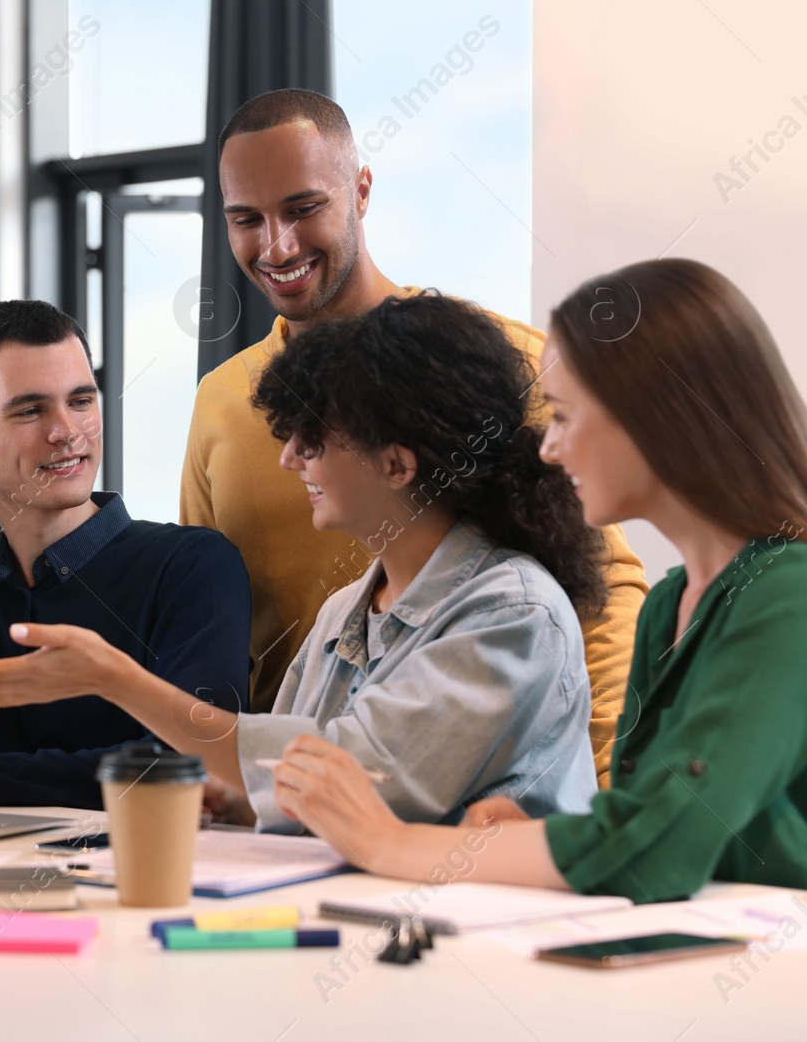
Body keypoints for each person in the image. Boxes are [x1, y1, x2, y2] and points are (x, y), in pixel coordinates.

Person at [0, 293, 601, 825]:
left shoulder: (512, 610)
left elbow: (354, 778)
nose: (290, 459)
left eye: (314, 439)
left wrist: (114, 677)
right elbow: (283, 774)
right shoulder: (348, 610)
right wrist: (235, 797)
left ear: (397, 463)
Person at [267, 259, 807, 902]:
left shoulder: (786, 595)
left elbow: (660, 850)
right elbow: (650, 821)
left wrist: (391, 842)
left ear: (658, 418)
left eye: (567, 416)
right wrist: (537, 833)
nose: (549, 449)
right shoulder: (670, 606)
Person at [182, 88, 646, 784]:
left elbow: (601, 595)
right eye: (246, 219)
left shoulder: (502, 366)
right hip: (301, 821)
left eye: (304, 208)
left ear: (361, 191)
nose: (276, 245)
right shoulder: (220, 403)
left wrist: (605, 798)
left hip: (483, 808)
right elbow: (211, 634)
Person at [0, 300, 250, 809]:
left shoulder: (194, 567)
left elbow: (190, 763)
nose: (67, 431)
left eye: (81, 401)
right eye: (31, 410)